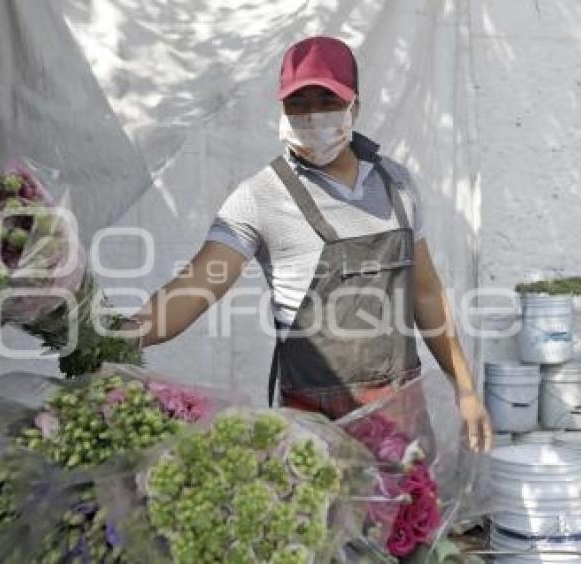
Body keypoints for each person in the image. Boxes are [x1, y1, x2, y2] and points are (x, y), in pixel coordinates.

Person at [129, 36, 491, 452]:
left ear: (355, 105)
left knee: (407, 516)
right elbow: (195, 287)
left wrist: (464, 388)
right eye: (298, 102)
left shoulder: (397, 185)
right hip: (313, 429)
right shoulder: (261, 197)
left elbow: (425, 292)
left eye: (327, 99)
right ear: (282, 110)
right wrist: (117, 335)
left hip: (401, 421)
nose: (313, 114)